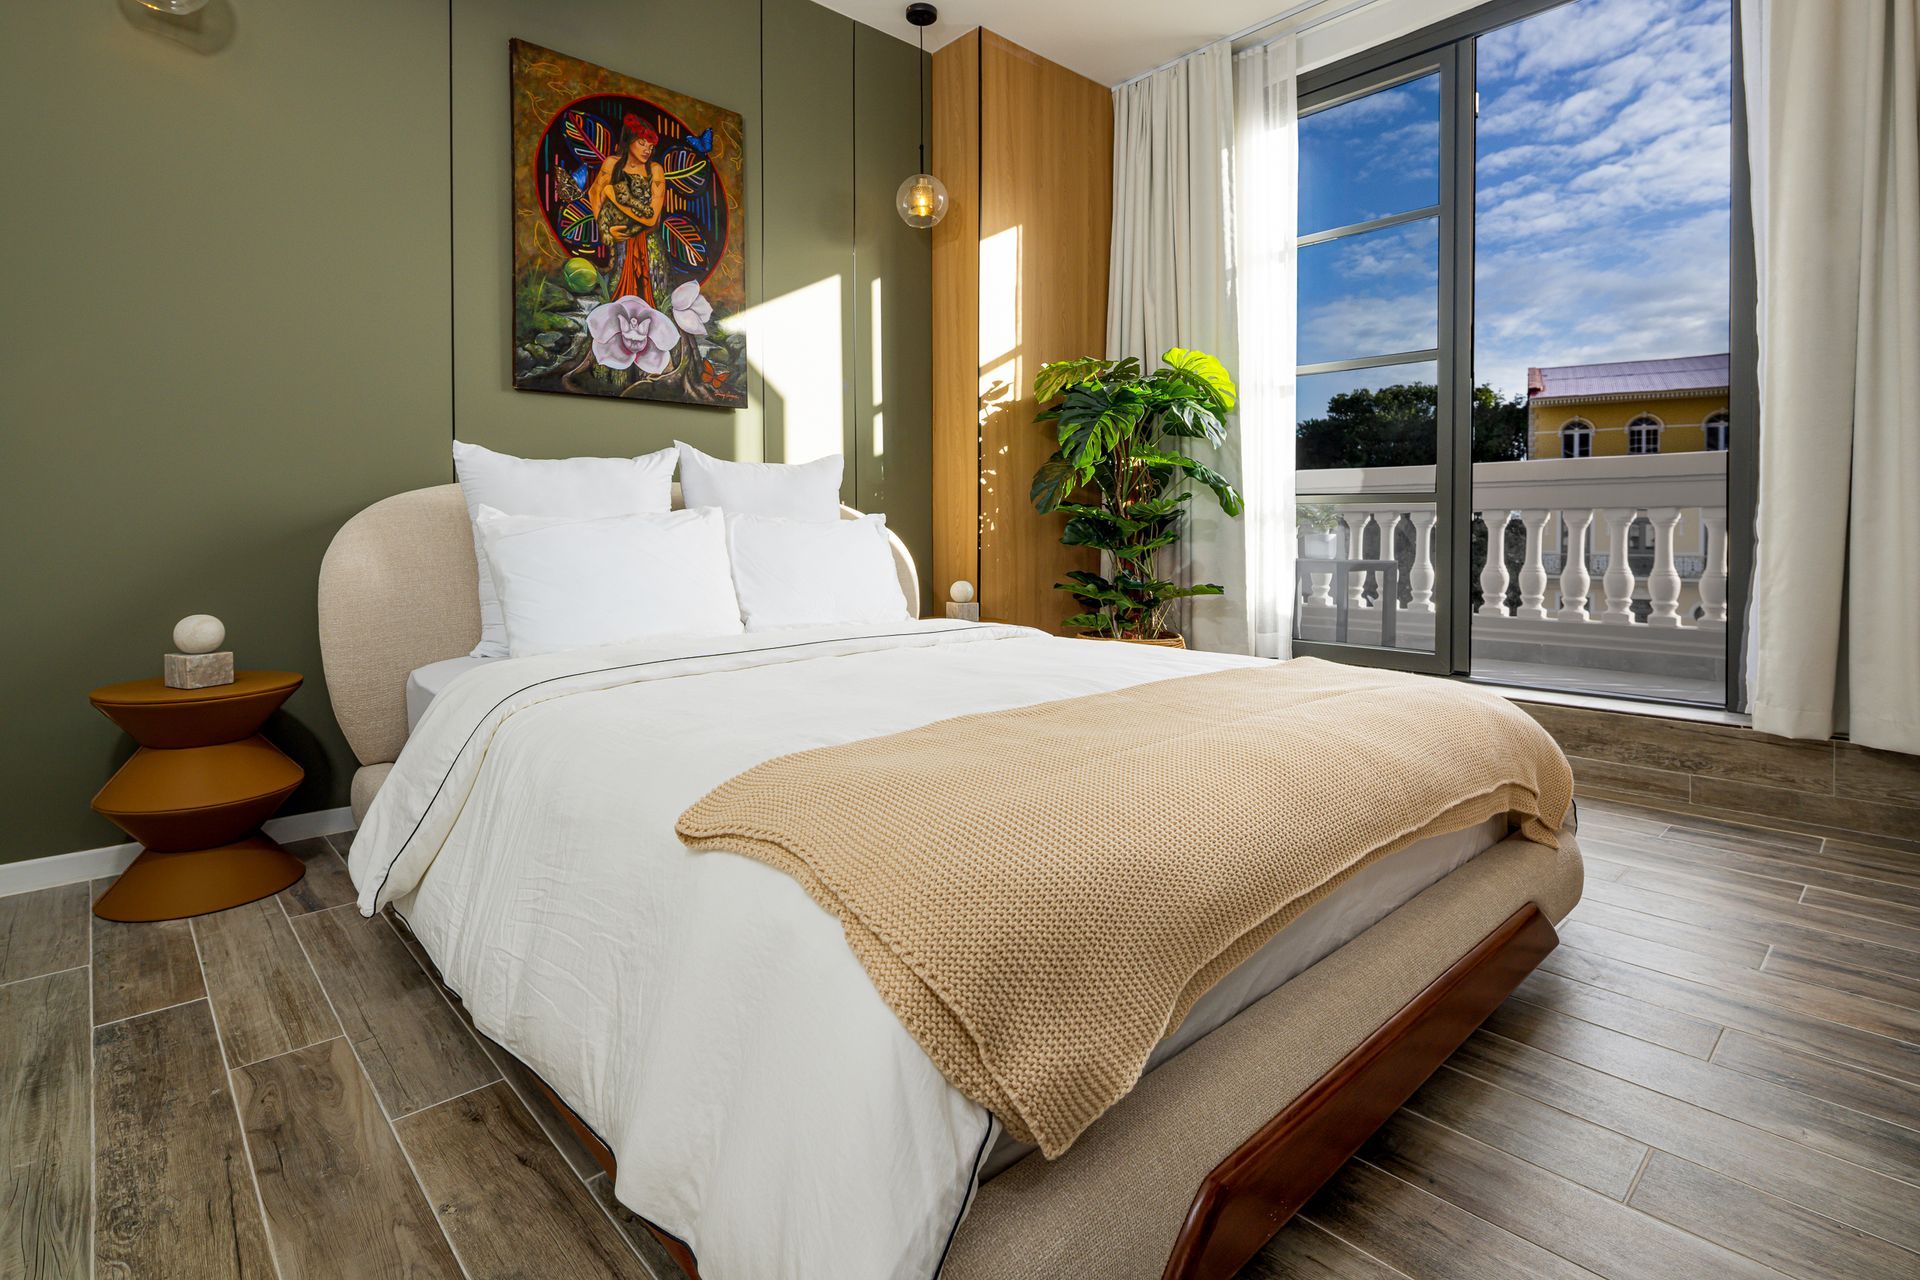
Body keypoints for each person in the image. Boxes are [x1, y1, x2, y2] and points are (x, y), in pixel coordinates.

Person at [588, 115, 669, 307]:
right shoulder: (612, 164)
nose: (647, 150)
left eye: (650, 147)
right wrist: (606, 229)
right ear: (629, 140)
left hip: (649, 246)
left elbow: (650, 220)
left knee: (657, 298)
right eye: (642, 143)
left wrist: (615, 197)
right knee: (615, 296)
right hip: (620, 243)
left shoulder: (655, 170)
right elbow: (594, 193)